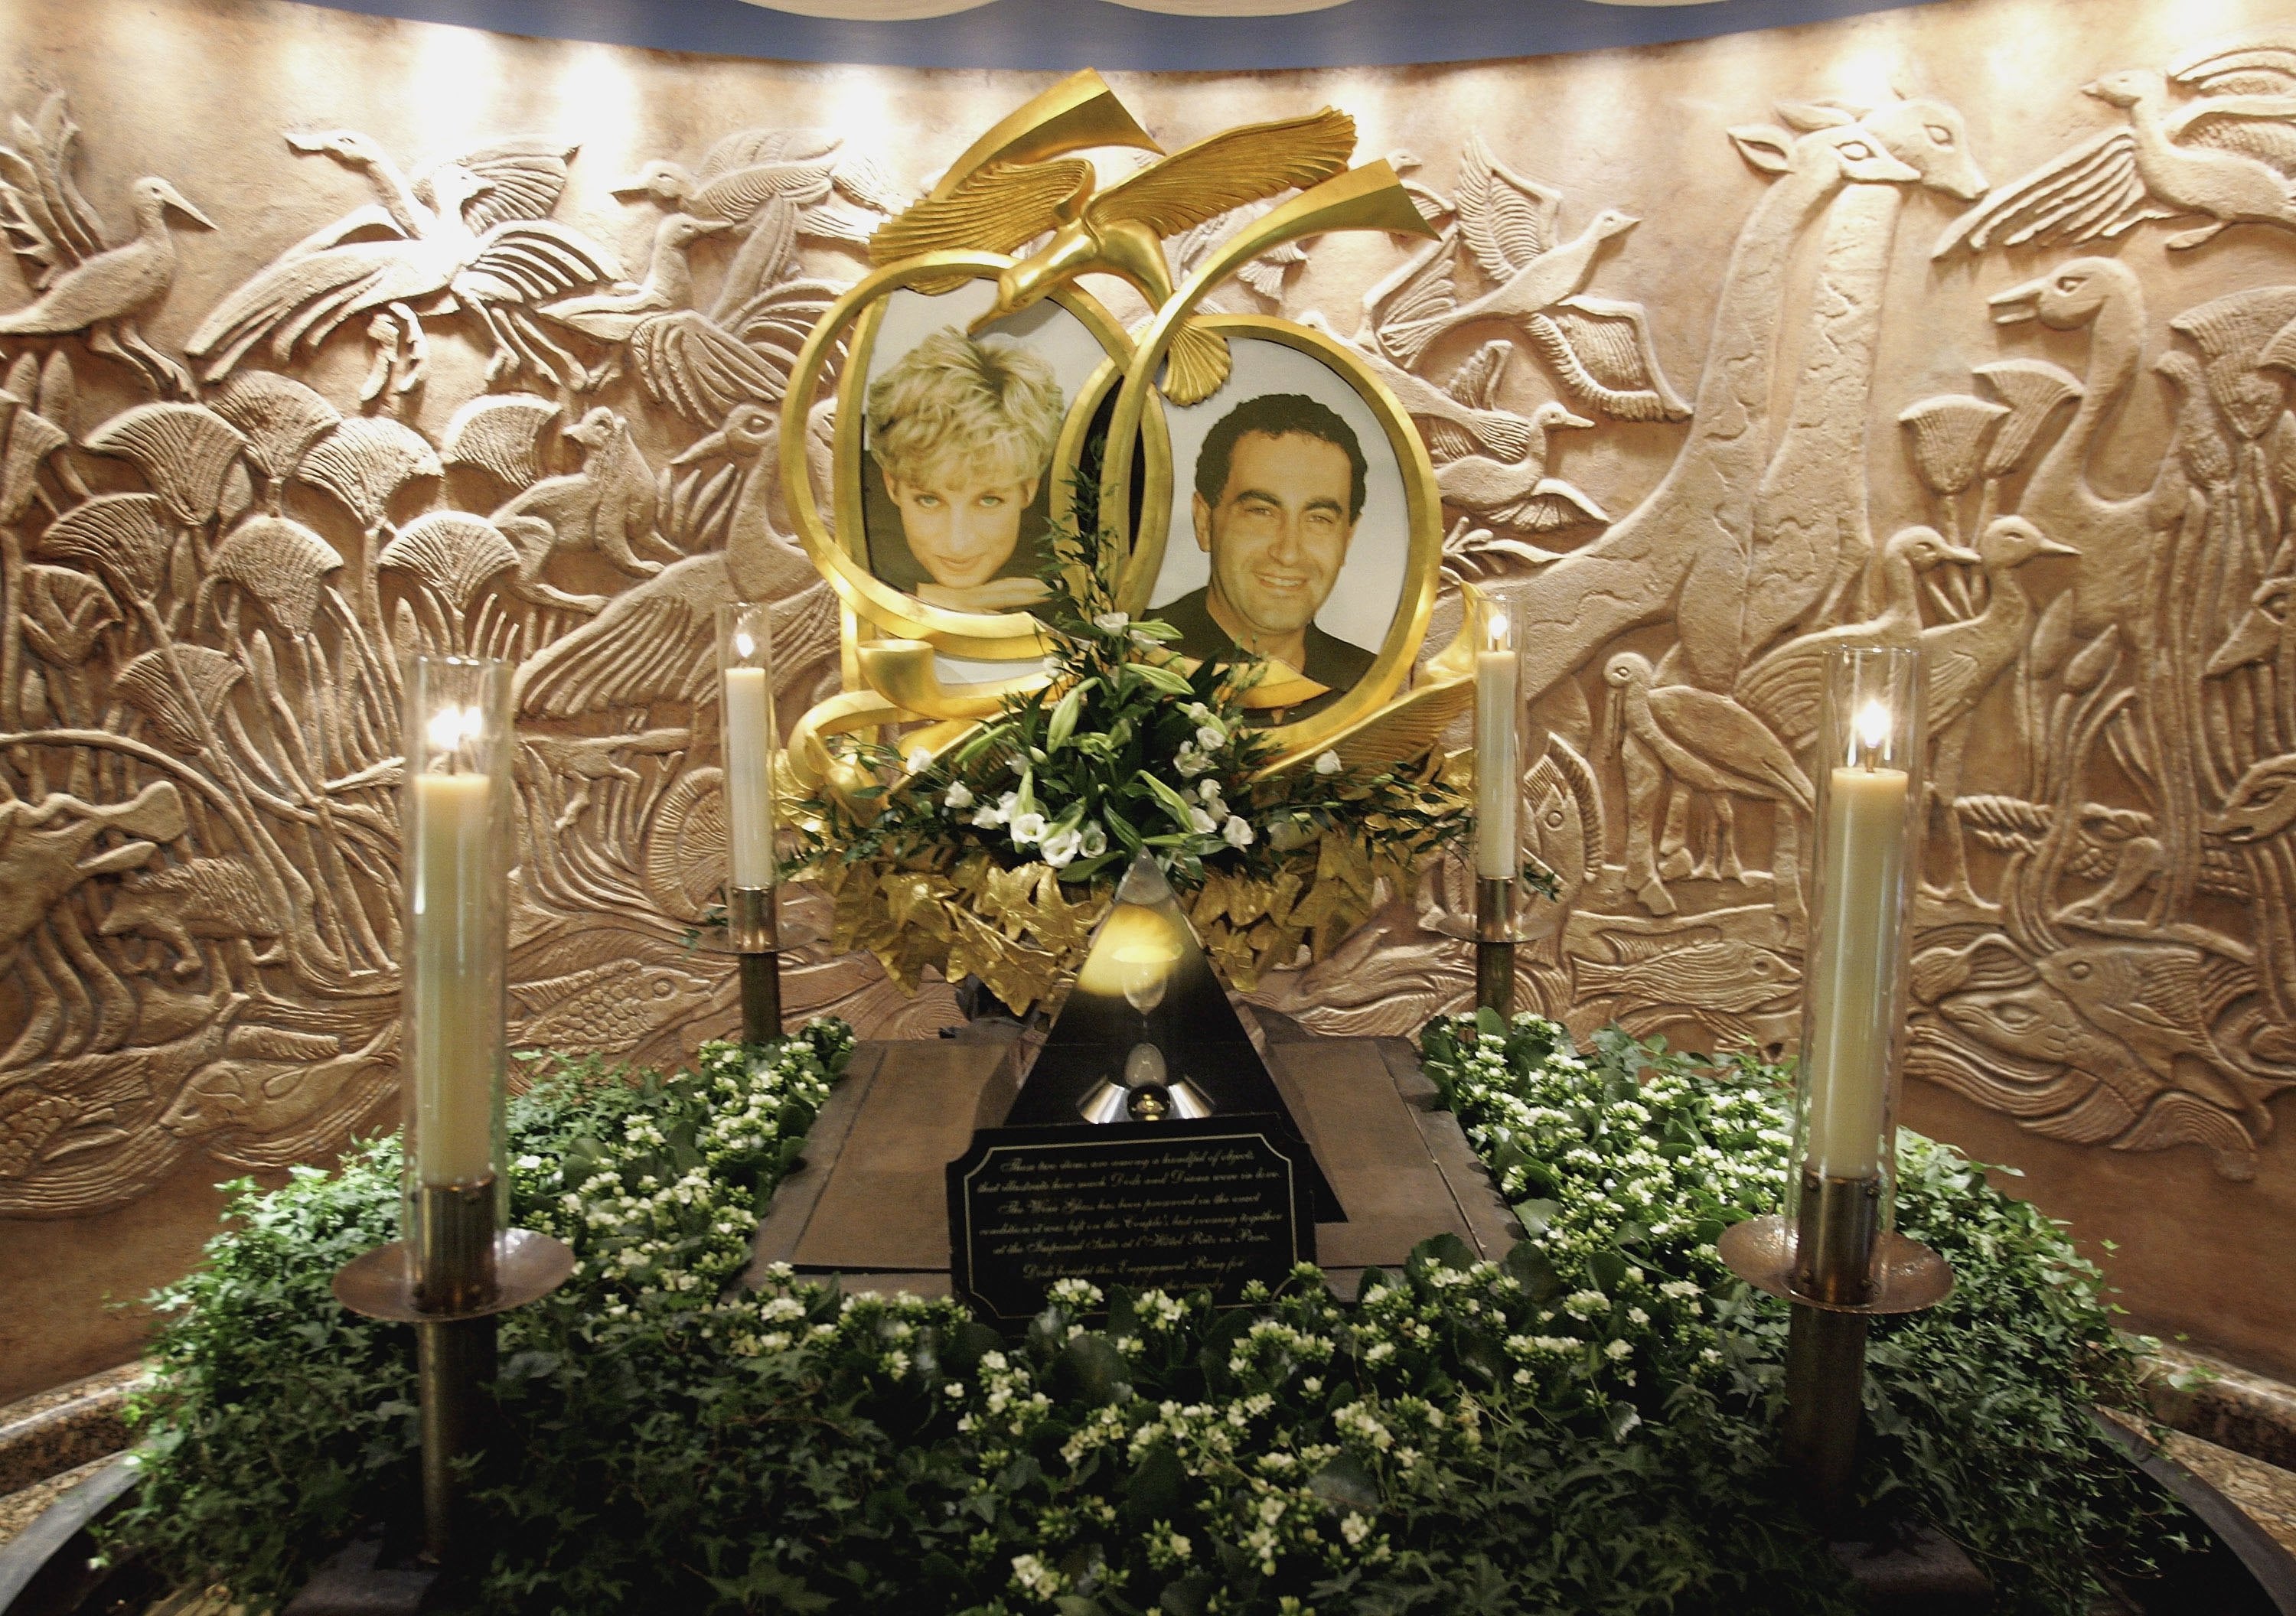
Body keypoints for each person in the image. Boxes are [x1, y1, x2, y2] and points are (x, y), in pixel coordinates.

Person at [1159, 392, 1378, 716]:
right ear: (1205, 522)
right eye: (1261, 512)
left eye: (1318, 519)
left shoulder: (1370, 681)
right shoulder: (1137, 658)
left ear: (1347, 538)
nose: (1288, 553)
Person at [863, 327, 1065, 611]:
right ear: (891, 485)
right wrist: (929, 600)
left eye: (989, 500)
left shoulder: (1074, 556)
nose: (958, 544)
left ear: (1028, 489)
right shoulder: (852, 511)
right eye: (929, 500)